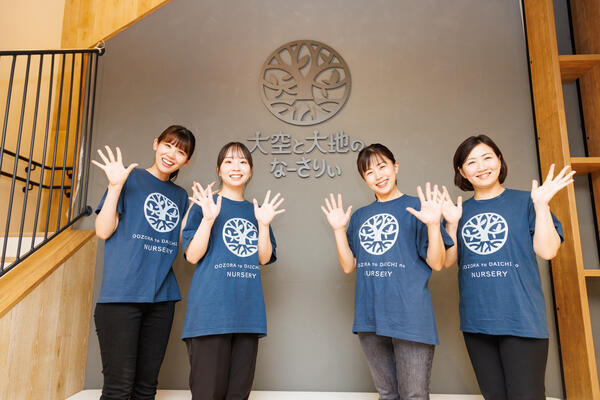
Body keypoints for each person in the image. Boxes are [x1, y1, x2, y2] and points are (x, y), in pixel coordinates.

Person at [442, 134, 574, 400]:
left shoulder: (527, 201)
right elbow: (446, 261)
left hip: (522, 320)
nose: (481, 167)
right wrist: (451, 224)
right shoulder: (457, 212)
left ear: (499, 161)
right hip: (477, 322)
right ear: (462, 172)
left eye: (487, 158)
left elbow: (548, 251)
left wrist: (541, 206)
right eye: (471, 162)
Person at [321, 143, 453, 400]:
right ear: (363, 179)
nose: (378, 176)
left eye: (382, 166)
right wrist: (338, 230)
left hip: (411, 317)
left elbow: (437, 263)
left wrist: (435, 225)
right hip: (370, 318)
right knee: (386, 394)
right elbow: (349, 266)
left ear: (395, 166)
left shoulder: (419, 207)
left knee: (414, 394)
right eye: (369, 172)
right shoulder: (360, 216)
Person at [92, 125, 196, 400]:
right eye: (168, 145)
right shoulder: (130, 178)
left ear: (187, 160)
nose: (172, 154)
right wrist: (115, 187)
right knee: (118, 389)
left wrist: (199, 217)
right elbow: (103, 231)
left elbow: (186, 247)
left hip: (162, 299)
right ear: (155, 144)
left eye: (181, 151)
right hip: (121, 296)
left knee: (146, 388)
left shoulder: (181, 197)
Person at [181, 142, 283, 400]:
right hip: (209, 316)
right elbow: (192, 256)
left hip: (247, 315)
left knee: (238, 394)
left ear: (250, 170)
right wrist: (208, 218)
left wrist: (263, 225)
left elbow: (264, 257)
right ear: (218, 169)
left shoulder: (256, 211)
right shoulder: (204, 204)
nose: (235, 167)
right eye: (228, 161)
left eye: (242, 162)